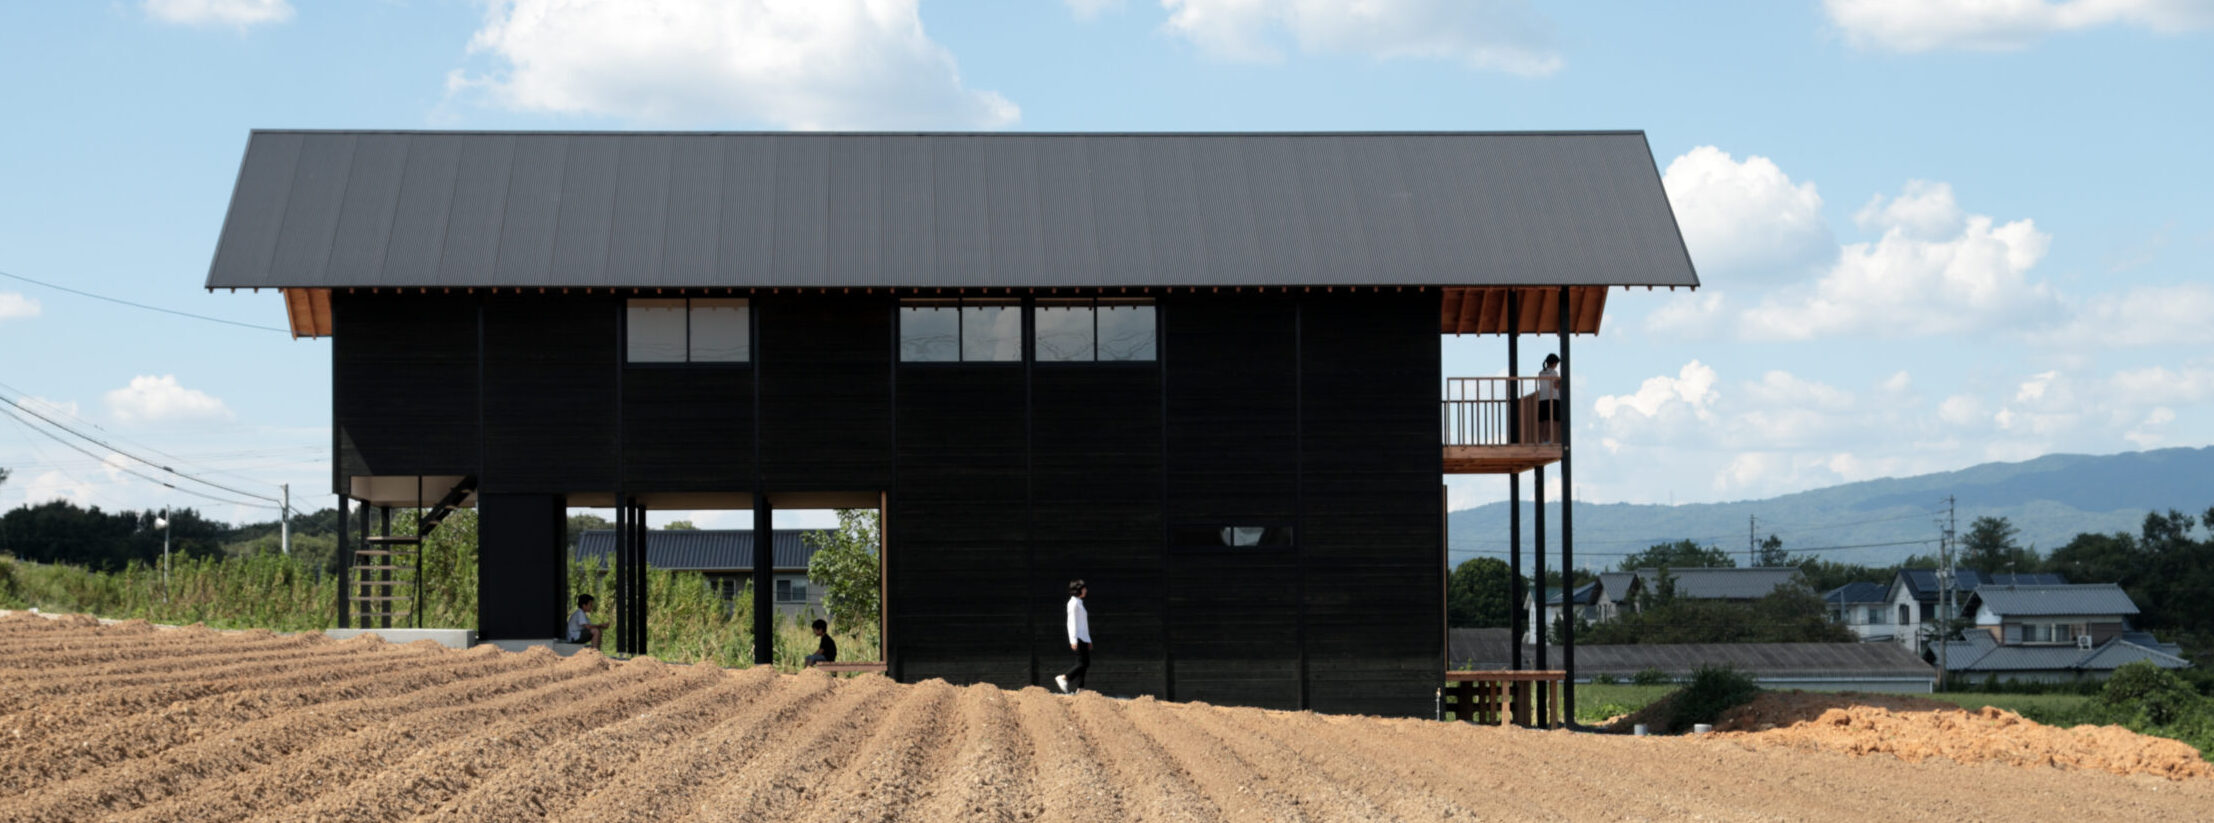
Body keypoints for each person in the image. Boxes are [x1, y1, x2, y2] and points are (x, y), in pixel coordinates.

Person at [1055, 579, 1090, 694]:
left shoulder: (1079, 602)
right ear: (1078, 590)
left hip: (1083, 637)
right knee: (1082, 663)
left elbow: (1084, 623)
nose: (1086, 590)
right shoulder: (1073, 603)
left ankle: (1081, 688)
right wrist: (1073, 639)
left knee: (1086, 663)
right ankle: (1064, 678)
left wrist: (1088, 639)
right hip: (1078, 637)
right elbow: (1072, 622)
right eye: (1084, 588)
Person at [1537, 353, 1562, 444]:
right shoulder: (1554, 373)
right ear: (1554, 363)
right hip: (1552, 398)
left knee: (1542, 421)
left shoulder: (1541, 373)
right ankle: (1547, 439)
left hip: (1542, 398)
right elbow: (1555, 386)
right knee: (1550, 420)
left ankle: (1541, 439)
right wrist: (1560, 381)